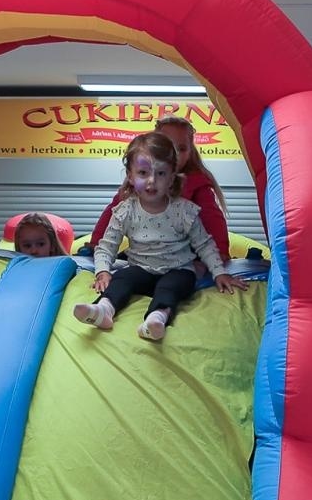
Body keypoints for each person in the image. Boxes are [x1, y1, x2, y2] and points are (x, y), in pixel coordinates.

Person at [74, 132, 244, 341]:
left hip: (178, 269)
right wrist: (102, 271)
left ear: (172, 177)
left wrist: (219, 273)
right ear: (130, 175)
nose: (152, 181)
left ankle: (157, 318)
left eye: (161, 173)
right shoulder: (125, 211)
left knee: (172, 285)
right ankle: (104, 309)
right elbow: (106, 245)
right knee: (123, 278)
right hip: (142, 270)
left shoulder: (184, 210)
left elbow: (205, 244)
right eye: (143, 173)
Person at [88, 116, 229, 272]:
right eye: (167, 146)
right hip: (146, 254)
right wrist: (95, 243)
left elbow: (212, 218)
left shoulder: (196, 182)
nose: (174, 154)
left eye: (181, 149)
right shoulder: (141, 183)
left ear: (190, 152)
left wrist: (221, 251)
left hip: (183, 254)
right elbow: (113, 212)